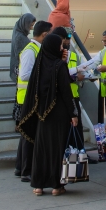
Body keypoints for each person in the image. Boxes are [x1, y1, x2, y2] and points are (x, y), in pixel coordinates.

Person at [16, 34, 79, 196]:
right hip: (59, 114)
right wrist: (73, 113)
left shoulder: (39, 65)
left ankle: (38, 185)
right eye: (60, 47)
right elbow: (65, 92)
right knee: (57, 149)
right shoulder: (59, 66)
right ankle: (56, 186)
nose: (62, 49)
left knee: (41, 148)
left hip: (42, 113)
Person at [15, 20, 52, 179]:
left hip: (32, 98)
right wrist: (44, 75)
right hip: (28, 100)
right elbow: (24, 75)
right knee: (29, 135)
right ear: (44, 35)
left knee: (27, 134)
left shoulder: (37, 49)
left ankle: (20, 168)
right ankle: (26, 171)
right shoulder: (31, 50)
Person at [9, 13, 37, 83]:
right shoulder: (20, 38)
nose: (32, 28)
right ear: (25, 24)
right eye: (31, 25)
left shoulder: (18, 32)